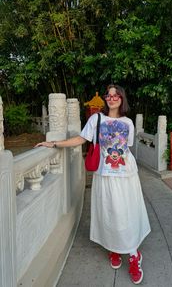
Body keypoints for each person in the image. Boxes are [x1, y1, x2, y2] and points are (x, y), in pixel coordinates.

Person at [36, 85, 151, 284]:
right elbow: (81, 139)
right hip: (104, 174)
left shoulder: (128, 123)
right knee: (109, 212)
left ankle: (133, 255)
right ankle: (115, 249)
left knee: (126, 213)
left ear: (122, 99)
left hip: (126, 175)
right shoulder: (96, 119)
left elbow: (127, 148)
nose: (112, 98)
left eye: (116, 95)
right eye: (109, 95)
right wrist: (54, 144)